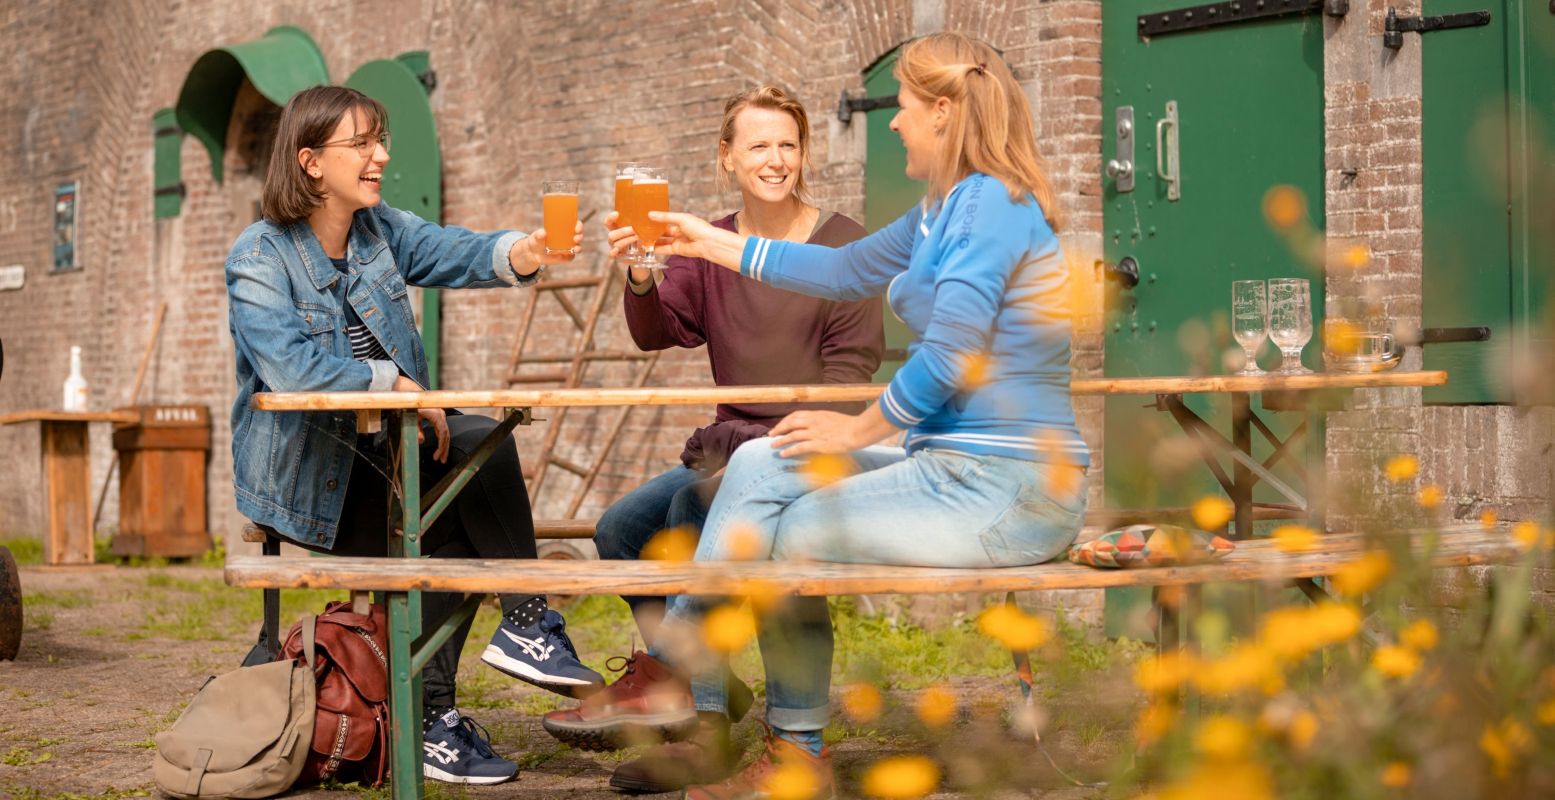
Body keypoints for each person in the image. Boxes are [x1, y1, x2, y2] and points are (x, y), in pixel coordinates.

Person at [617, 33, 1090, 798]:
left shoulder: (993, 206)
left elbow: (948, 356)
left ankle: (777, 743)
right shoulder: (941, 209)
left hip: (1012, 486)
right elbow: (839, 270)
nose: (893, 123)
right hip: (948, 469)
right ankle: (697, 683)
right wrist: (703, 240)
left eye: (902, 108)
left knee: (792, 529)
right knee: (761, 460)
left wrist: (856, 429)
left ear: (942, 112)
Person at [224, 85, 604, 786]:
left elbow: (455, 252)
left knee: (473, 478)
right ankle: (501, 644)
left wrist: (528, 249)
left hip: (389, 461)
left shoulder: (380, 233)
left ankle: (450, 701)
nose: (381, 157)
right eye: (362, 144)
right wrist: (396, 385)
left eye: (381, 140)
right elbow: (291, 368)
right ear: (310, 161)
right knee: (469, 473)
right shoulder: (259, 257)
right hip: (313, 486)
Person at [541, 86, 884, 793]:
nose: (776, 159)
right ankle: (709, 683)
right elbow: (658, 333)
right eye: (758, 145)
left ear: (804, 153)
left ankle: (699, 725)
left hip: (814, 443)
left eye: (788, 144)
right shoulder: (707, 240)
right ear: (727, 158)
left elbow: (852, 374)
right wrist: (640, 271)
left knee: (698, 510)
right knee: (621, 531)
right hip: (729, 444)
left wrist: (786, 439)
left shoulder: (841, 243)